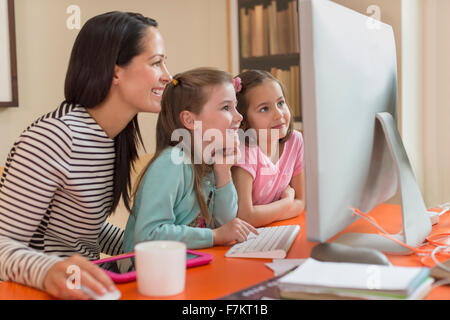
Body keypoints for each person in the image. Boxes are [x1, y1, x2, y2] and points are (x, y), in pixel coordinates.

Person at [0, 11, 171, 300]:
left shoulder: (112, 137)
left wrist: (147, 246)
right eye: (156, 63)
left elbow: (85, 228)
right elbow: (2, 244)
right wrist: (49, 270)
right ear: (115, 70)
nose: (168, 76)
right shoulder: (53, 137)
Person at [123, 67, 258, 253]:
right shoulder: (172, 162)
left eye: (236, 107)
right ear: (190, 120)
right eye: (226, 108)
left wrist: (223, 171)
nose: (239, 117)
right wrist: (215, 236)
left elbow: (226, 225)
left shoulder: (210, 161)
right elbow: (149, 235)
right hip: (146, 273)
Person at [231, 70, 305, 227]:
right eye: (264, 109)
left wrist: (266, 215)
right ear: (244, 121)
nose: (279, 114)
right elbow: (245, 217)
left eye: (280, 103)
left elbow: (302, 202)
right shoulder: (245, 151)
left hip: (275, 229)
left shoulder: (295, 141)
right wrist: (286, 202)